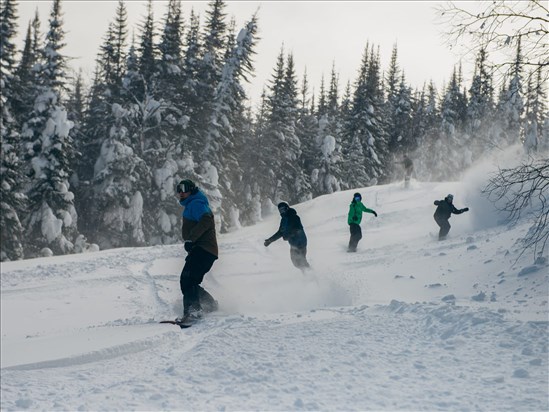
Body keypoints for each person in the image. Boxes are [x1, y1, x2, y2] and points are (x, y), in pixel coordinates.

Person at [176, 179, 219, 323]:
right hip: (203, 250)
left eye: (184, 189)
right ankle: (210, 305)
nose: (181, 193)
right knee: (189, 281)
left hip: (204, 249)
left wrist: (191, 239)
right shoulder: (192, 204)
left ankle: (194, 312)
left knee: (187, 279)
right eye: (179, 189)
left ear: (192, 190)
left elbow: (206, 220)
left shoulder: (196, 203)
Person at [264, 202, 310, 270]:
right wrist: (270, 240)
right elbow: (280, 232)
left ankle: (311, 274)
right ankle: (308, 275)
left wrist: (289, 235)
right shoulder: (283, 220)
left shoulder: (294, 217)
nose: (282, 212)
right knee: (296, 263)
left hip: (300, 243)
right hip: (293, 244)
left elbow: (298, 229)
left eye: (283, 209)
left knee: (301, 261)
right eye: (280, 210)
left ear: (287, 208)